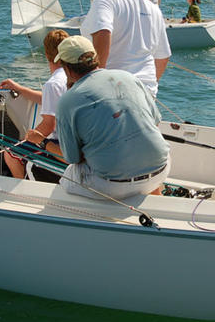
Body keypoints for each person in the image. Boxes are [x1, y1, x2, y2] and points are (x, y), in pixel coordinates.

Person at [53, 35, 170, 200]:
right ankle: (155, 197)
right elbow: (155, 123)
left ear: (66, 68)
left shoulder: (67, 101)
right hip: (161, 169)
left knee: (66, 180)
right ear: (95, 58)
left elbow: (72, 158)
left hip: (114, 185)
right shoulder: (128, 77)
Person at [80, 0, 171, 97]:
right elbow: (163, 57)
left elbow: (103, 32)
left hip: (113, 91)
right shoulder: (154, 9)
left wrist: (96, 81)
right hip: (146, 94)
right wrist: (149, 90)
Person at [0, 29, 68, 179]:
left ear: (47, 54)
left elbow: (49, 126)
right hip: (72, 143)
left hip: (59, 144)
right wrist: (20, 89)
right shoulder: (70, 76)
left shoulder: (54, 84)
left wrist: (29, 138)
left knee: (11, 153)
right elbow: (49, 100)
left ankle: (22, 191)